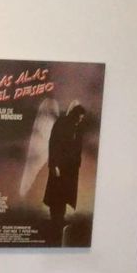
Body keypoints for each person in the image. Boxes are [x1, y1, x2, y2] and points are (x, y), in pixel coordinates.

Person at [43, 101, 86, 245]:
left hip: (69, 170)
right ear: (75, 115)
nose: (80, 121)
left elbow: (76, 146)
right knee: (56, 196)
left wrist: (76, 163)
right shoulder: (61, 123)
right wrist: (54, 165)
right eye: (79, 118)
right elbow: (53, 144)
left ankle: (58, 222)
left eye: (82, 119)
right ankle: (55, 224)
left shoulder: (76, 127)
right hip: (59, 167)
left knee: (63, 196)